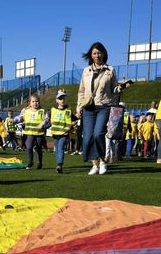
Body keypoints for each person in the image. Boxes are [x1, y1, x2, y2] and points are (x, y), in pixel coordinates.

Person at [76, 41, 131, 175]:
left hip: (104, 106)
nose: (97, 55)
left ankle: (103, 161)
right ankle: (95, 165)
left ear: (104, 54)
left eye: (99, 53)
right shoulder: (86, 70)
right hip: (88, 107)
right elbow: (81, 91)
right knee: (88, 136)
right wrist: (78, 107)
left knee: (98, 133)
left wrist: (122, 86)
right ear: (91, 55)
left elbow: (114, 88)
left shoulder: (110, 69)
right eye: (94, 53)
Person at [17, 94, 48, 169]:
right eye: (33, 101)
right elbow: (20, 117)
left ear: (39, 102)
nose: (35, 103)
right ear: (30, 103)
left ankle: (40, 162)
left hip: (39, 133)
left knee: (39, 148)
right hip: (29, 133)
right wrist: (14, 120)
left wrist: (42, 123)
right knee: (29, 147)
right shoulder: (25, 111)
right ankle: (30, 162)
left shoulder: (42, 111)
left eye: (37, 101)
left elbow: (47, 119)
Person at [49, 89, 72, 173]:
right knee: (57, 149)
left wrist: (77, 116)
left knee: (61, 148)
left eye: (64, 98)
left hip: (64, 133)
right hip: (55, 133)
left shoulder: (68, 110)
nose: (62, 100)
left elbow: (72, 118)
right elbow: (49, 120)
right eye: (60, 98)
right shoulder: (53, 110)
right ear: (56, 100)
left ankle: (59, 164)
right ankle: (58, 164)